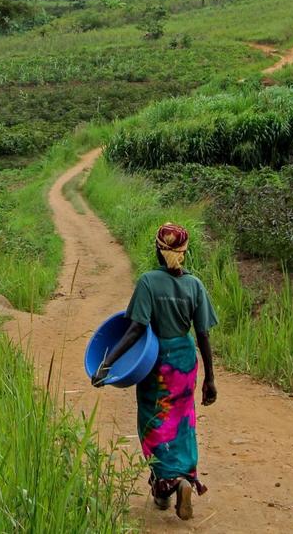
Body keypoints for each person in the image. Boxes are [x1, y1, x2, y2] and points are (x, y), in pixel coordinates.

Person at [91, 222, 218, 520]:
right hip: (185, 363)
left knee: (155, 424)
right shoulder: (194, 285)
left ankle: (165, 486)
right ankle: (185, 477)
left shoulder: (148, 282)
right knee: (183, 423)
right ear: (184, 253)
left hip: (157, 364)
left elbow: (136, 329)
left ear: (158, 251)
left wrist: (107, 363)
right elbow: (203, 335)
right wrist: (210, 379)